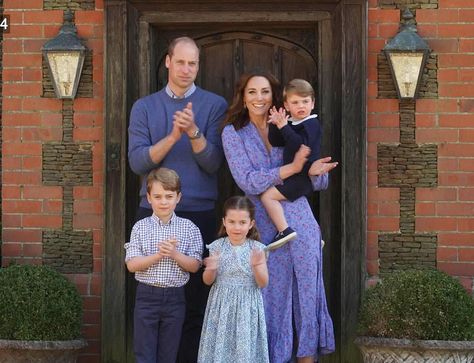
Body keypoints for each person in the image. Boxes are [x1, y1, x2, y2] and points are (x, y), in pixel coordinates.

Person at [221, 70, 337, 363]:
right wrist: (290, 169)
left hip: (301, 220)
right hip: (263, 226)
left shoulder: (294, 124)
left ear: (275, 97)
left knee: (307, 296)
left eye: (264, 92)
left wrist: (312, 172)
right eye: (252, 92)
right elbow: (247, 180)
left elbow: (318, 177)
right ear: (242, 97)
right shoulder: (233, 132)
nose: (258, 98)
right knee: (270, 299)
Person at [128, 36, 228, 362]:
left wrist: (194, 132)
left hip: (198, 212)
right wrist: (172, 136)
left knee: (195, 300)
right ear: (168, 62)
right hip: (153, 212)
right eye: (181, 62)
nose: (187, 69)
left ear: (199, 66)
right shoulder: (144, 107)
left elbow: (213, 164)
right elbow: (138, 162)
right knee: (151, 300)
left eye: (193, 63)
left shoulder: (214, 105)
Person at [124, 168, 203, 363]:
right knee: (144, 353)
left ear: (178, 197)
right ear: (149, 198)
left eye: (169, 196)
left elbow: (195, 266)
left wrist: (174, 254)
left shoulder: (189, 227)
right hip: (146, 296)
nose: (164, 202)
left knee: (169, 353)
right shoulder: (140, 227)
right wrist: (158, 255)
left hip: (175, 298)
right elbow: (132, 265)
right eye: (158, 196)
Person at [198, 196, 269, 363]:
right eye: (232, 222)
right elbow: (207, 281)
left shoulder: (257, 249)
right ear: (224, 221)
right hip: (221, 305)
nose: (237, 227)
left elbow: (263, 283)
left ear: (251, 223)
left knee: (244, 351)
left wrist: (257, 266)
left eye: (242, 222)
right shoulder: (217, 246)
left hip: (247, 306)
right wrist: (211, 268)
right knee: (220, 347)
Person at [261, 79, 322, 247]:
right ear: (287, 106)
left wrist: (283, 126)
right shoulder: (293, 124)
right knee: (292, 207)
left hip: (301, 177)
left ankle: (284, 230)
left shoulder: (311, 123)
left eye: (305, 101)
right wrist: (275, 124)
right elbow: (277, 141)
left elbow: (300, 146)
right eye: (295, 102)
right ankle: (312, 235)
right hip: (294, 176)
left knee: (268, 197)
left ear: (313, 103)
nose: (301, 106)